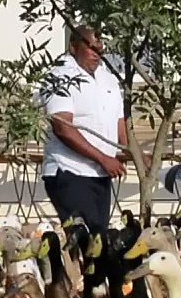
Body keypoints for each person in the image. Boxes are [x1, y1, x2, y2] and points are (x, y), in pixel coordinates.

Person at [40, 25, 127, 233]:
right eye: (91, 47)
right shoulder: (59, 77)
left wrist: (137, 154)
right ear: (73, 47)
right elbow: (63, 128)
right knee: (84, 238)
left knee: (99, 241)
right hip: (69, 172)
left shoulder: (108, 79)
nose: (97, 53)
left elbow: (119, 123)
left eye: (100, 48)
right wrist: (104, 159)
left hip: (100, 175)